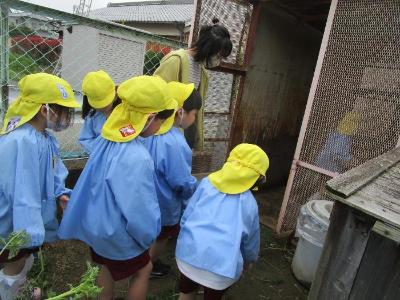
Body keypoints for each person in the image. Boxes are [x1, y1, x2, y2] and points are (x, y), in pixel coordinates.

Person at [58, 76, 177, 300]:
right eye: (162, 121)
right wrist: (148, 235)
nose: (161, 127)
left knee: (105, 268)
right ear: (150, 118)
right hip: (117, 233)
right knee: (144, 270)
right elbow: (139, 209)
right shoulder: (137, 156)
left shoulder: (106, 138)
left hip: (97, 228)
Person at [0, 73, 79, 300]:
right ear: (45, 109)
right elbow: (22, 193)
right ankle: (10, 292)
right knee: (14, 260)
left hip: (28, 219)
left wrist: (61, 193)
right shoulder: (22, 141)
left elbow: (54, 171)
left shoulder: (42, 136)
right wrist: (29, 234)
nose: (67, 117)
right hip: (15, 223)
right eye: (64, 110)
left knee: (25, 258)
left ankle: (18, 288)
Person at [175, 143, 269, 300]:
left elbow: (186, 216)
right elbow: (251, 240)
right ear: (257, 178)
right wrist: (250, 259)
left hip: (188, 256)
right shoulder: (249, 203)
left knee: (186, 292)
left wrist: (184, 239)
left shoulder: (206, 183)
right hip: (221, 271)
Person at [142, 82, 202, 277]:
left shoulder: (149, 128)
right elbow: (180, 180)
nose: (195, 118)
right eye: (194, 113)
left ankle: (142, 259)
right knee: (163, 235)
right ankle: (147, 267)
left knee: (148, 232)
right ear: (180, 112)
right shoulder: (174, 141)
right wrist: (194, 190)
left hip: (145, 198)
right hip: (165, 203)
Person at [154, 18, 232, 149]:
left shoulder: (201, 71)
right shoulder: (175, 60)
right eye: (218, 56)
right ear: (208, 49)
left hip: (184, 130)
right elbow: (156, 98)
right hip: (165, 134)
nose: (219, 60)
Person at [78, 70, 120, 154]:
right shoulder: (92, 116)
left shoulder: (124, 113)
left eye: (105, 104)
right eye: (98, 106)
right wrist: (100, 150)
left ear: (115, 96)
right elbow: (85, 139)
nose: (102, 108)